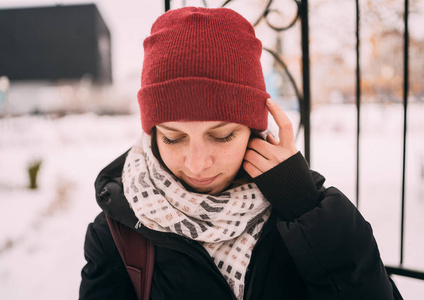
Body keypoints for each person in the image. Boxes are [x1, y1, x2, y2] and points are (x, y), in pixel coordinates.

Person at [79, 6, 402, 300]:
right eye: (174, 138)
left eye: (221, 136)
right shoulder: (116, 232)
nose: (197, 163)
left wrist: (303, 206)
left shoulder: (305, 214)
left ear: (254, 130)